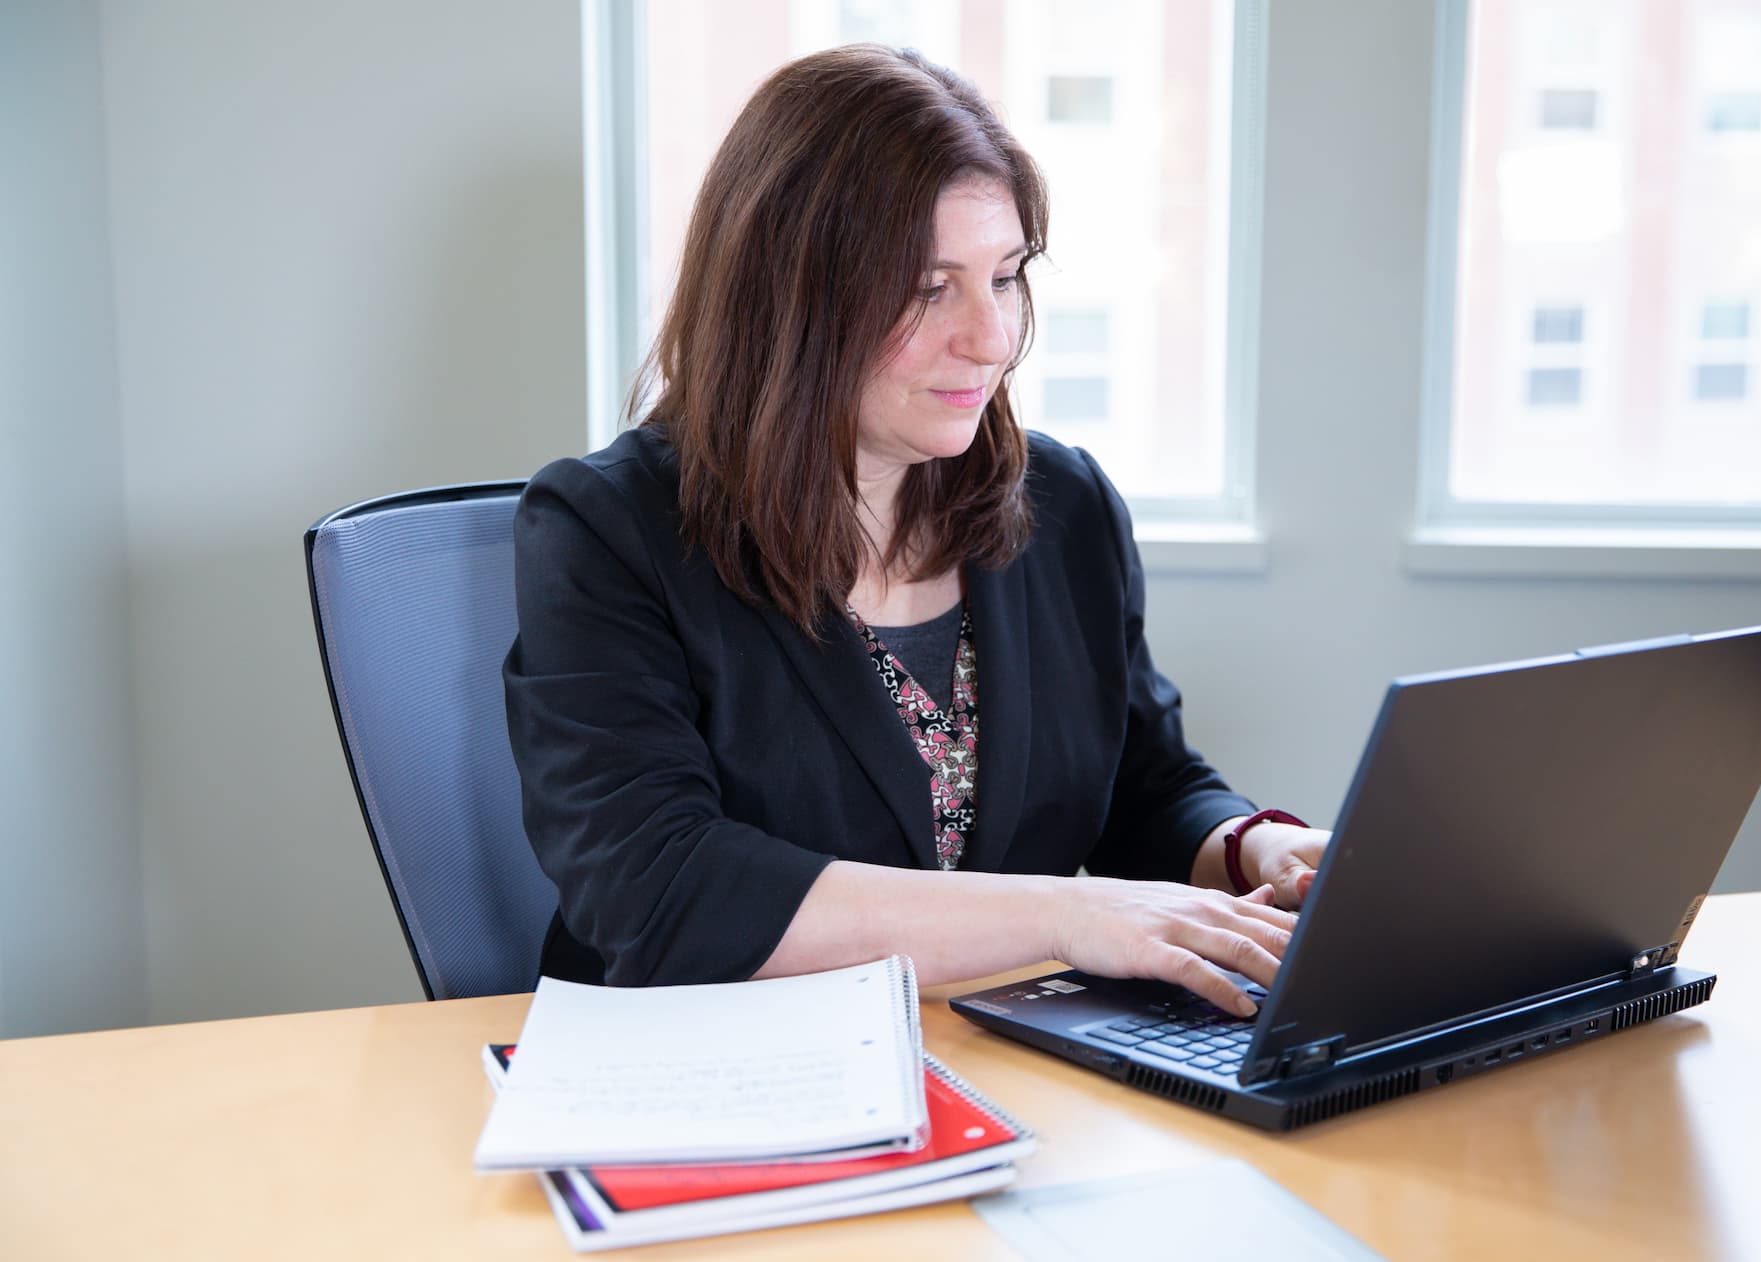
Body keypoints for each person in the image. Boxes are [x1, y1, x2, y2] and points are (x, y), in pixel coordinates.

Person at [504, 44, 1326, 1018]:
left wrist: (1252, 846)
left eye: (1008, 277)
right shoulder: (608, 532)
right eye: (931, 287)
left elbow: (1141, 788)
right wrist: (1064, 914)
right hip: (710, 1084)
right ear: (792, 298)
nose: (990, 336)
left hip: (999, 1066)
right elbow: (661, 889)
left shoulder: (1064, 504)